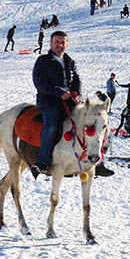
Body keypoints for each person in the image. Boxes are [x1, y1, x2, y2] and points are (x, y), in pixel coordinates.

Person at [29, 31, 81, 178]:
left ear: (67, 44)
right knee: (51, 125)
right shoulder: (43, 61)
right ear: (51, 43)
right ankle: (42, 162)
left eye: (63, 42)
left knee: (88, 120)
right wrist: (59, 93)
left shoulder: (70, 62)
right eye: (57, 42)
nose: (60, 45)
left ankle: (93, 161)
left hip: (69, 101)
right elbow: (40, 83)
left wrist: (78, 95)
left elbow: (77, 82)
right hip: (49, 101)